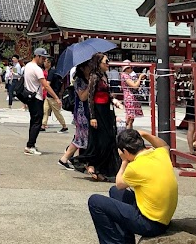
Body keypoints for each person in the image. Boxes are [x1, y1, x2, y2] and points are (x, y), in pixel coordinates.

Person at [88, 128, 178, 244]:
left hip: (150, 224)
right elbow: (165, 145)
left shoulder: (134, 167)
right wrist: (146, 134)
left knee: (95, 201)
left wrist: (124, 161)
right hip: (162, 218)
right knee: (115, 192)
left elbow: (119, 183)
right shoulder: (160, 154)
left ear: (125, 151)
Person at [78, 52, 120, 181]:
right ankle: (93, 165)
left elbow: (107, 93)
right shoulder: (94, 76)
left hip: (106, 110)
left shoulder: (104, 76)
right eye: (105, 62)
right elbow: (90, 97)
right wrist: (92, 117)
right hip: (98, 111)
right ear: (98, 63)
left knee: (109, 139)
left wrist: (115, 100)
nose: (108, 64)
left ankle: (102, 169)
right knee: (100, 141)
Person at [23, 48, 61, 156]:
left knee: (33, 120)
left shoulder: (28, 66)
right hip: (36, 97)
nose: (44, 60)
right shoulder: (37, 69)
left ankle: (31, 144)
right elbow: (46, 85)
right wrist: (56, 97)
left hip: (30, 96)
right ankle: (30, 145)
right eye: (43, 58)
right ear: (37, 56)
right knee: (37, 122)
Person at [59, 61, 91, 170]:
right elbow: (83, 97)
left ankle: (66, 158)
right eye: (88, 66)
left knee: (80, 138)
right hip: (81, 113)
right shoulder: (78, 81)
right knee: (80, 138)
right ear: (83, 68)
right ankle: (66, 158)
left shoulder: (87, 80)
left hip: (86, 111)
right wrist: (90, 85)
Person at [41, 56, 68, 133]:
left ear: (49, 63)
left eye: (46, 61)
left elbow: (48, 84)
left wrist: (42, 89)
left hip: (52, 95)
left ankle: (64, 125)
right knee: (45, 110)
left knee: (56, 112)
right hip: (49, 95)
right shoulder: (53, 71)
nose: (44, 62)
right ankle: (43, 125)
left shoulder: (52, 72)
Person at [120, 61, 143, 129]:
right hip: (130, 97)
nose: (132, 69)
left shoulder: (128, 75)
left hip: (131, 97)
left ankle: (128, 131)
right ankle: (127, 132)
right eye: (130, 67)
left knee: (131, 118)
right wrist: (140, 78)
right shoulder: (125, 75)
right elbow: (134, 86)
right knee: (130, 117)